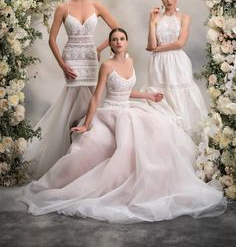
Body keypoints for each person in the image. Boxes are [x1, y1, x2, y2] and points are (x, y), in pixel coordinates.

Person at [19, 28, 226, 223]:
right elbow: (97, 96)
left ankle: (150, 187)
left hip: (128, 108)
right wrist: (87, 124)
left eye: (122, 39)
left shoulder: (130, 61)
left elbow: (127, 92)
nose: (118, 42)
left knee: (159, 132)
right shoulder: (107, 66)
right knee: (103, 145)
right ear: (110, 44)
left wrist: (148, 95)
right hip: (110, 112)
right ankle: (81, 186)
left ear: (126, 43)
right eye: (114, 40)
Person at [24, 0, 119, 178]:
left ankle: (89, 153)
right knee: (71, 103)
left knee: (93, 101)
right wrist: (62, 65)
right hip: (72, 59)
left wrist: (100, 49)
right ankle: (65, 154)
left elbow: (116, 30)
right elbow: (52, 40)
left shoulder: (97, 6)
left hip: (90, 58)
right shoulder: (63, 7)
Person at [145, 0, 207, 143]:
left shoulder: (184, 17)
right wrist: (151, 23)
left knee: (179, 95)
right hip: (158, 64)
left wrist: (158, 49)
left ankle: (184, 142)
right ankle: (167, 141)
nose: (169, 0)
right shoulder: (156, 17)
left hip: (177, 61)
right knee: (161, 95)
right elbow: (151, 45)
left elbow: (180, 43)